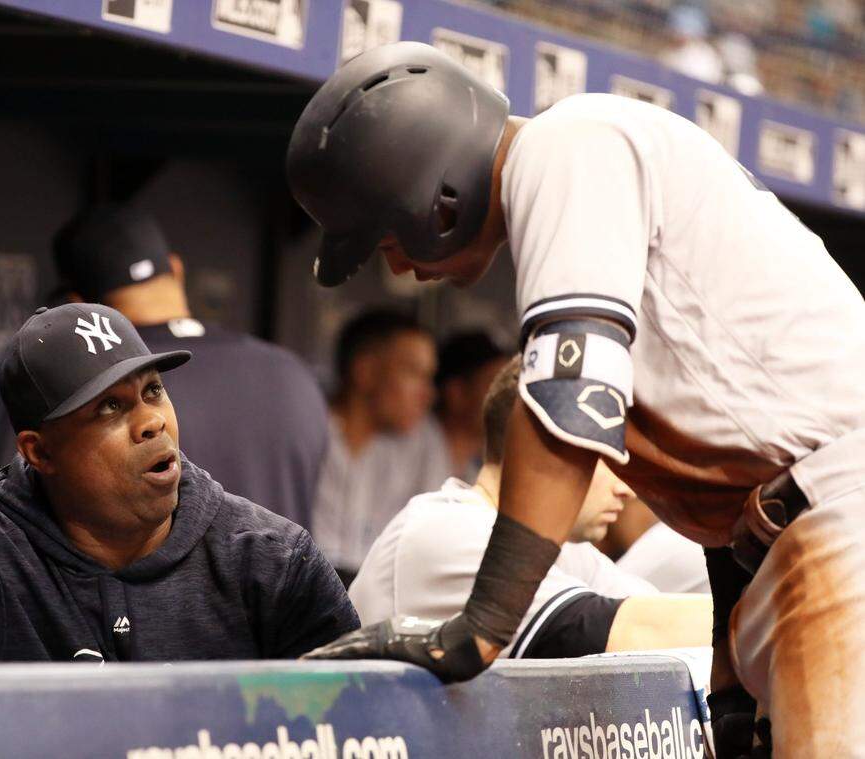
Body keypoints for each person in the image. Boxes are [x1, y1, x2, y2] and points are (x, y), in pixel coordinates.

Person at [287, 42, 865, 757]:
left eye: (384, 237)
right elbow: (737, 477)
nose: (397, 264)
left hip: (839, 511)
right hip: (802, 517)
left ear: (436, 196)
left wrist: (481, 627)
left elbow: (569, 404)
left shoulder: (568, 147)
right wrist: (731, 671)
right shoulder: (584, 156)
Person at [0, 304, 357, 667]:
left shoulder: (269, 560)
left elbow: (365, 719)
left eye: (152, 391)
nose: (151, 421)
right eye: (110, 407)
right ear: (39, 450)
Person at [349, 357, 710, 657]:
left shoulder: (570, 553)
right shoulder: (449, 526)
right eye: (608, 459)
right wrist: (761, 616)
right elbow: (633, 633)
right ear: (539, 447)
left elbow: (662, 618)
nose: (626, 489)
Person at [25, 203, 328, 529]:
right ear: (175, 269)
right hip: (282, 578)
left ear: (76, 306)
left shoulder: (85, 387)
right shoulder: (292, 373)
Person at [313, 308, 449, 583]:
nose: (428, 393)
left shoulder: (423, 441)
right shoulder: (306, 430)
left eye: (429, 377)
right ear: (365, 371)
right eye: (414, 374)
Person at [434, 331, 508, 481]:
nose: (510, 400)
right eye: (497, 386)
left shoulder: (474, 470)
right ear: (456, 393)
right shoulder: (404, 448)